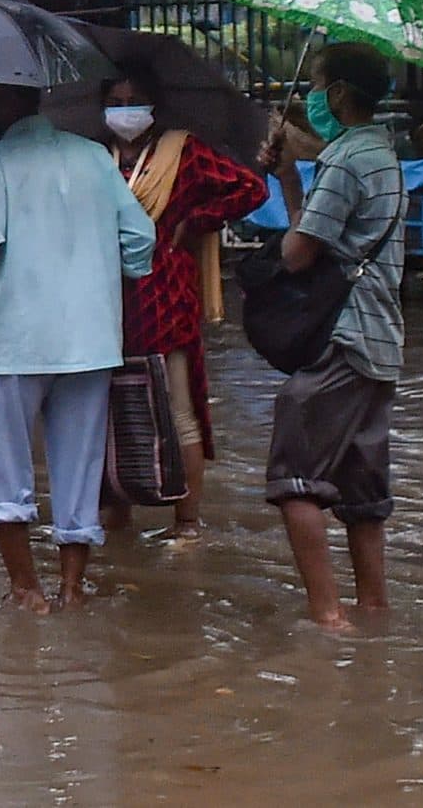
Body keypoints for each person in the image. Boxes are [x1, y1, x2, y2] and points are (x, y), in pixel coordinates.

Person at [0, 82, 156, 612]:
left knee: (5, 472)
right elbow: (140, 238)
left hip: (13, 345)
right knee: (79, 469)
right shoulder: (95, 157)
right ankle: (71, 590)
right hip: (90, 342)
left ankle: (27, 590)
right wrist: (103, 277)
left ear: (4, 105)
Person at [260, 44, 406, 632]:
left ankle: (328, 620)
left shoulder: (347, 161)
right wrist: (291, 178)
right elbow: (322, 239)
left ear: (340, 93)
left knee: (294, 481)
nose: (310, 99)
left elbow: (297, 254)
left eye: (316, 87)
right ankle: (373, 611)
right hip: (380, 342)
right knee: (361, 492)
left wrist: (292, 175)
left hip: (343, 340)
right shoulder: (380, 154)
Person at [97, 67, 268, 538]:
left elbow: (251, 188)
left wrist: (194, 221)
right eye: (116, 98)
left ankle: (186, 524)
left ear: (153, 106)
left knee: (178, 409)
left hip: (166, 297)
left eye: (134, 97)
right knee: (107, 413)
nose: (125, 107)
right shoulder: (95, 157)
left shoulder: (182, 151)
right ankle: (116, 516)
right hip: (106, 300)